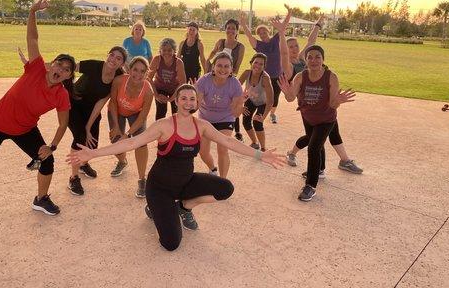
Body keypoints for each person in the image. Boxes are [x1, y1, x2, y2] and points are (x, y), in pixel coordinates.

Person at [67, 84, 286, 251]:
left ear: (196, 103)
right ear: (177, 101)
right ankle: (155, 207)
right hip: (160, 188)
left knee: (225, 189)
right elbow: (132, 142)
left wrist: (261, 155)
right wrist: (92, 154)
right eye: (184, 98)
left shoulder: (202, 126)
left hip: (186, 183)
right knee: (171, 244)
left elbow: (228, 142)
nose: (188, 102)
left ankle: (184, 206)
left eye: (192, 99)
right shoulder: (164, 125)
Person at [0, 0, 75, 216]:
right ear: (51, 64)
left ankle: (41, 198)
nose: (61, 70)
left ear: (68, 76)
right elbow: (33, 38)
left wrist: (52, 146)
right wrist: (32, 11)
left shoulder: (61, 95)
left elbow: (63, 123)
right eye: (59, 64)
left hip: (24, 129)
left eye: (67, 70)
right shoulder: (36, 68)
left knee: (47, 160)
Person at [281, 7, 362, 173]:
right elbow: (283, 54)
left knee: (325, 135)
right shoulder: (289, 67)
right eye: (290, 47)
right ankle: (330, 163)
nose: (295, 49)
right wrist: (282, 34)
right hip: (310, 106)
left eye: (296, 46)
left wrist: (317, 25)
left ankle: (332, 163)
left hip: (324, 103)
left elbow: (311, 42)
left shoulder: (306, 57)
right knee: (316, 138)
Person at [278, 45, 355, 201]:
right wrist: (287, 92)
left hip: (326, 119)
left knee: (313, 147)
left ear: (323, 59)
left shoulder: (330, 77)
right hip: (308, 117)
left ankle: (310, 186)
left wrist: (338, 101)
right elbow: (291, 97)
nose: (313, 60)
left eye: (317, 57)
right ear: (305, 60)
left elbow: (332, 104)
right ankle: (319, 170)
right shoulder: (301, 76)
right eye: (310, 57)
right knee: (316, 144)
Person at [66, 47, 127, 195]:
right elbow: (67, 67)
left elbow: (102, 101)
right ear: (107, 55)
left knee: (92, 143)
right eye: (112, 55)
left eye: (118, 58)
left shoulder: (118, 76)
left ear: (122, 63)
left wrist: (88, 127)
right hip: (73, 104)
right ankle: (73, 178)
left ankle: (83, 164)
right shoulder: (94, 65)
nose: (113, 59)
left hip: (91, 108)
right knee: (80, 139)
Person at [108, 56, 154, 198]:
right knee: (116, 143)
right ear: (129, 69)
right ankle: (122, 162)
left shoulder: (148, 91)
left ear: (147, 73)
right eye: (135, 70)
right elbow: (113, 103)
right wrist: (116, 126)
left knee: (140, 143)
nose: (138, 74)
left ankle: (142, 179)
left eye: (142, 71)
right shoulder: (119, 80)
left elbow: (142, 117)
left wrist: (127, 134)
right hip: (117, 112)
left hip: (136, 115)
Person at [196, 52, 245, 177]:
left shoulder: (235, 84)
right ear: (213, 67)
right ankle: (213, 168)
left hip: (225, 118)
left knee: (223, 147)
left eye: (226, 66)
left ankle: (223, 182)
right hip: (205, 118)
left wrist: (240, 105)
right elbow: (196, 105)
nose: (222, 69)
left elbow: (234, 113)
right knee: (202, 151)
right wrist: (190, 96)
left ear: (231, 69)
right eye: (219, 65)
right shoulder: (204, 81)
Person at [239, 13, 282, 124]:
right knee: (261, 96)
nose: (262, 34)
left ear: (268, 31)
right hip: (263, 76)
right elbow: (249, 35)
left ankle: (272, 113)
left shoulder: (276, 40)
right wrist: (243, 24)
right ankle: (258, 114)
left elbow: (283, 28)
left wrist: (289, 14)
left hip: (277, 74)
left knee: (275, 97)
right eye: (260, 33)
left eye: (264, 32)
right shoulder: (258, 45)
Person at [207, 18, 245, 141]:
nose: (230, 30)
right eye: (228, 28)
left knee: (234, 103)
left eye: (233, 28)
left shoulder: (240, 47)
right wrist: (208, 62)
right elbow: (212, 54)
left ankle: (237, 131)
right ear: (225, 29)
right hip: (216, 77)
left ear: (237, 31)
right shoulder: (220, 42)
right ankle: (211, 125)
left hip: (230, 78)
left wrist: (228, 77)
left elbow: (237, 65)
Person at [238, 53, 273, 150]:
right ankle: (254, 142)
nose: (257, 65)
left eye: (261, 64)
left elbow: (270, 101)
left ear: (264, 66)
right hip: (251, 100)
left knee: (257, 122)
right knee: (246, 121)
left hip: (263, 103)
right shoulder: (246, 73)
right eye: (256, 62)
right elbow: (234, 89)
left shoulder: (265, 78)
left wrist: (263, 117)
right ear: (251, 63)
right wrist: (240, 106)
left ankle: (263, 148)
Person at [148, 38, 186, 120]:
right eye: (164, 50)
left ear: (174, 51)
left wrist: (172, 98)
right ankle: (160, 130)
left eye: (169, 50)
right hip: (160, 87)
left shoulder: (178, 62)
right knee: (161, 111)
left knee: (176, 113)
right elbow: (148, 78)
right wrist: (156, 95)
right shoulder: (157, 59)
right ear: (160, 51)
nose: (166, 52)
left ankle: (176, 130)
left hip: (174, 88)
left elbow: (182, 83)